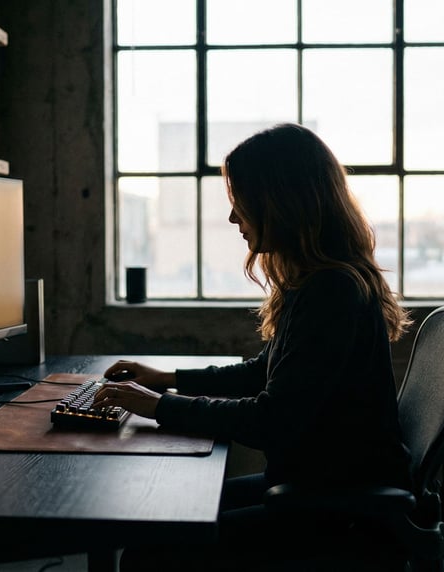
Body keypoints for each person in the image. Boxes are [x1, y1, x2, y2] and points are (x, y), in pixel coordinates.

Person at [92, 123, 413, 570]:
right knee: (162, 512)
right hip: (319, 485)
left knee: (150, 554)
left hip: (336, 508)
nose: (232, 218)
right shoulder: (320, 281)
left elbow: (272, 420)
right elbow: (264, 372)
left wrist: (159, 406)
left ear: (279, 201)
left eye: (240, 202)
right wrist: (165, 380)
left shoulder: (331, 292)